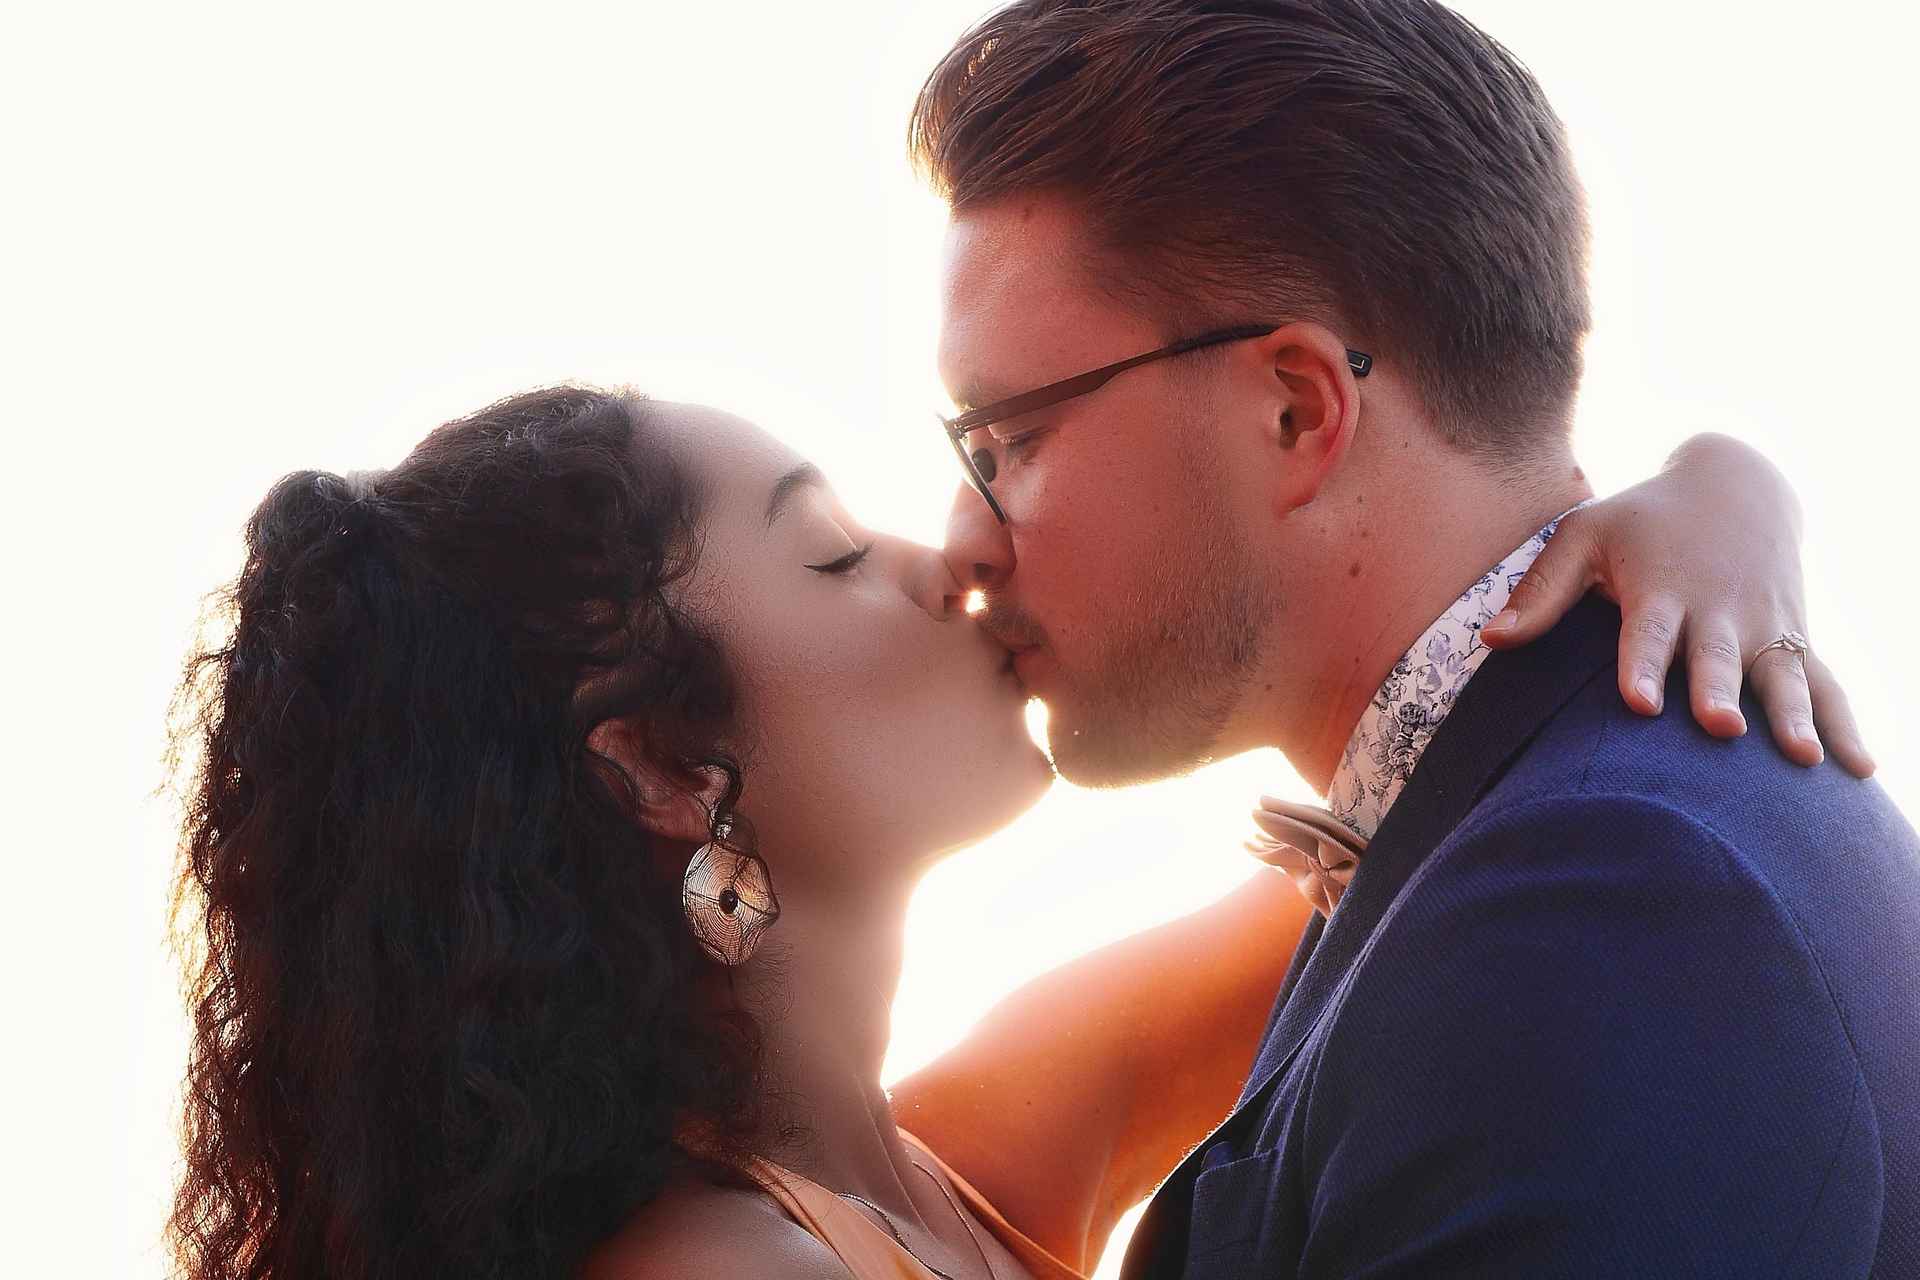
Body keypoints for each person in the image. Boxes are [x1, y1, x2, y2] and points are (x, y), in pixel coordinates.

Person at [169, 386, 1871, 1280]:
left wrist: (1722, 495)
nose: (952, 562)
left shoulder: (931, 1168)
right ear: (668, 766)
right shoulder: (720, 1268)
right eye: (834, 556)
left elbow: (1427, 838)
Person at [905, 0, 1919, 1275]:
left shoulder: (1592, 904)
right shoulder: (1527, 835)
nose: (962, 539)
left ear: (1295, 410)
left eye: (1009, 438)